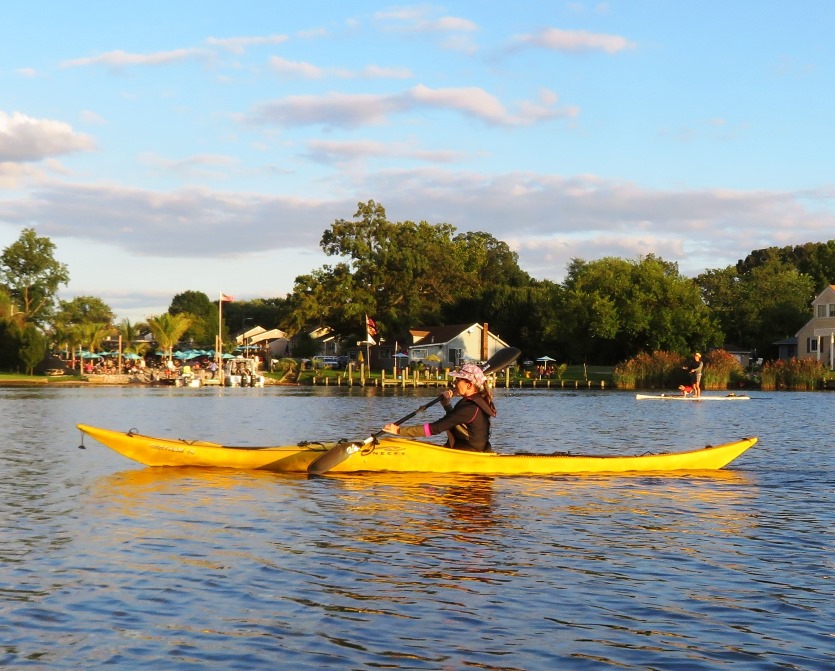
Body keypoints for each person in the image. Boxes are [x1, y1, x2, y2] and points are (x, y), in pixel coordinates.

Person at [382, 363, 497, 452]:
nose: (454, 383)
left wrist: (398, 430)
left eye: (458, 380)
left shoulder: (469, 408)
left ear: (469, 385)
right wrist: (446, 405)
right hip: (469, 449)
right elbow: (457, 422)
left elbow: (436, 428)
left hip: (468, 453)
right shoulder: (473, 402)